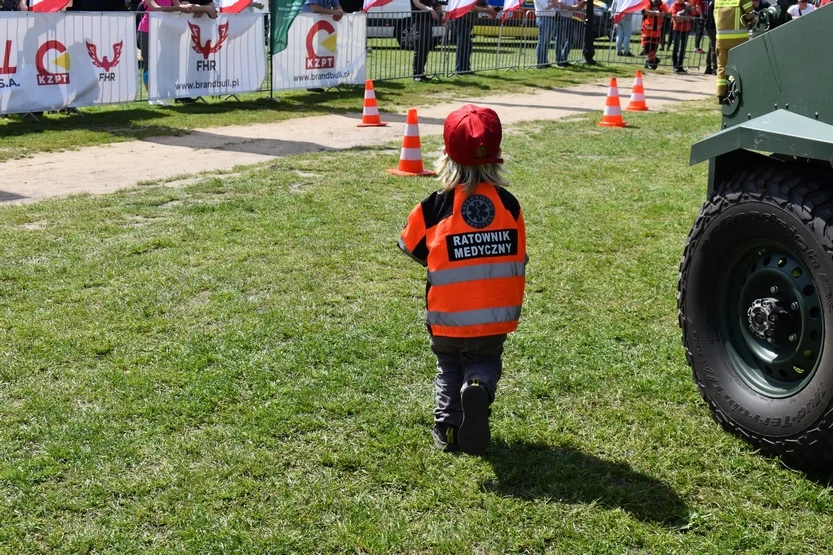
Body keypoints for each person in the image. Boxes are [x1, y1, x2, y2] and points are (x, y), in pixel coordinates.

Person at [398, 105, 527, 456]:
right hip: (494, 315)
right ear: (497, 157)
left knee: (449, 366)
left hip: (447, 315)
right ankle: (480, 388)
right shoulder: (510, 205)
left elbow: (409, 245)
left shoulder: (434, 206)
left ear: (445, 155)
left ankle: (448, 429)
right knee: (483, 361)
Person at [715, 0, 755, 103]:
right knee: (738, 67)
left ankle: (721, 94)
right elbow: (750, 16)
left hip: (721, 40)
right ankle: (735, 92)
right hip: (739, 40)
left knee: (722, 66)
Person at [453, 0, 498, 75]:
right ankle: (460, 69)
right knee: (463, 44)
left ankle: (465, 68)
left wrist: (491, 10)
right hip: (460, 19)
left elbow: (486, 5)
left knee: (467, 45)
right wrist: (486, 10)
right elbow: (471, 7)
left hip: (469, 22)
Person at [411, 0, 440, 81]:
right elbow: (417, 4)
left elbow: (432, 3)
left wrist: (436, 8)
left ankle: (421, 73)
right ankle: (416, 74)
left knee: (426, 48)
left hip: (428, 21)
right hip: (418, 21)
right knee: (420, 48)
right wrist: (431, 10)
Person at [669, 0, 698, 73]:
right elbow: (676, 19)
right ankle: (675, 66)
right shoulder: (674, 5)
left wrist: (689, 10)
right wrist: (686, 16)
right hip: (677, 29)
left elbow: (693, 15)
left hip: (686, 29)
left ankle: (680, 65)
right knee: (676, 48)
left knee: (683, 49)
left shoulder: (687, 5)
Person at [641, 0, 668, 69]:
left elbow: (667, 13)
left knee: (653, 49)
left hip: (657, 32)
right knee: (647, 48)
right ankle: (654, 61)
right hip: (647, 31)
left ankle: (650, 63)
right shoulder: (648, 3)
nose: (657, 1)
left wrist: (663, 14)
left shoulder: (663, 4)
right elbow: (644, 11)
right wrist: (654, 13)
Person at [703, 0, 717, 74]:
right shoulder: (713, 2)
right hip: (711, 27)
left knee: (711, 47)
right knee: (714, 47)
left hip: (710, 26)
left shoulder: (711, 2)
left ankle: (708, 67)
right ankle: (714, 68)